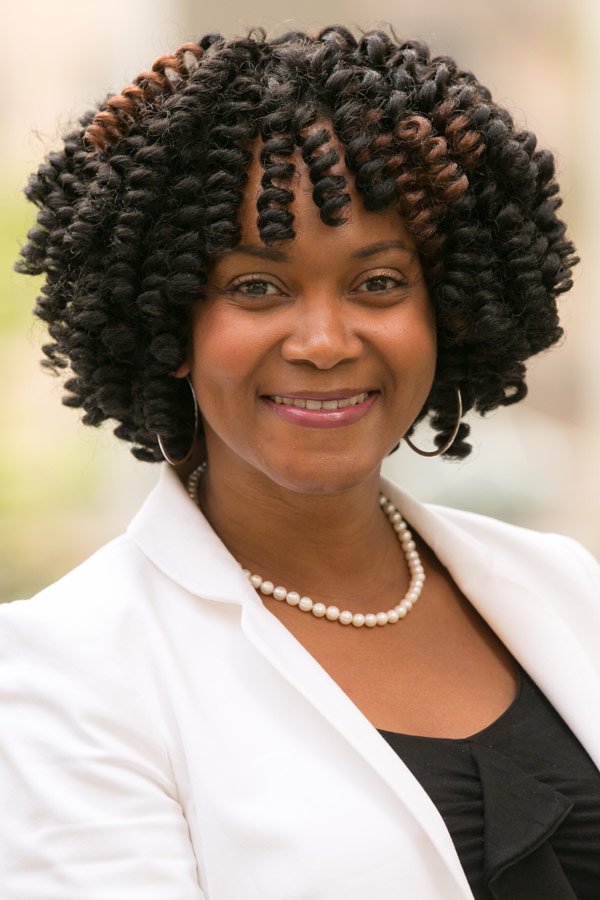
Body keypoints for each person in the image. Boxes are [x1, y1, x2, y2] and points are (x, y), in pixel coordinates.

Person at [1, 25, 598, 900]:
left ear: (451, 311)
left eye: (380, 283)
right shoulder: (64, 672)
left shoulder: (565, 590)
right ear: (170, 325)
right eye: (257, 288)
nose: (324, 342)